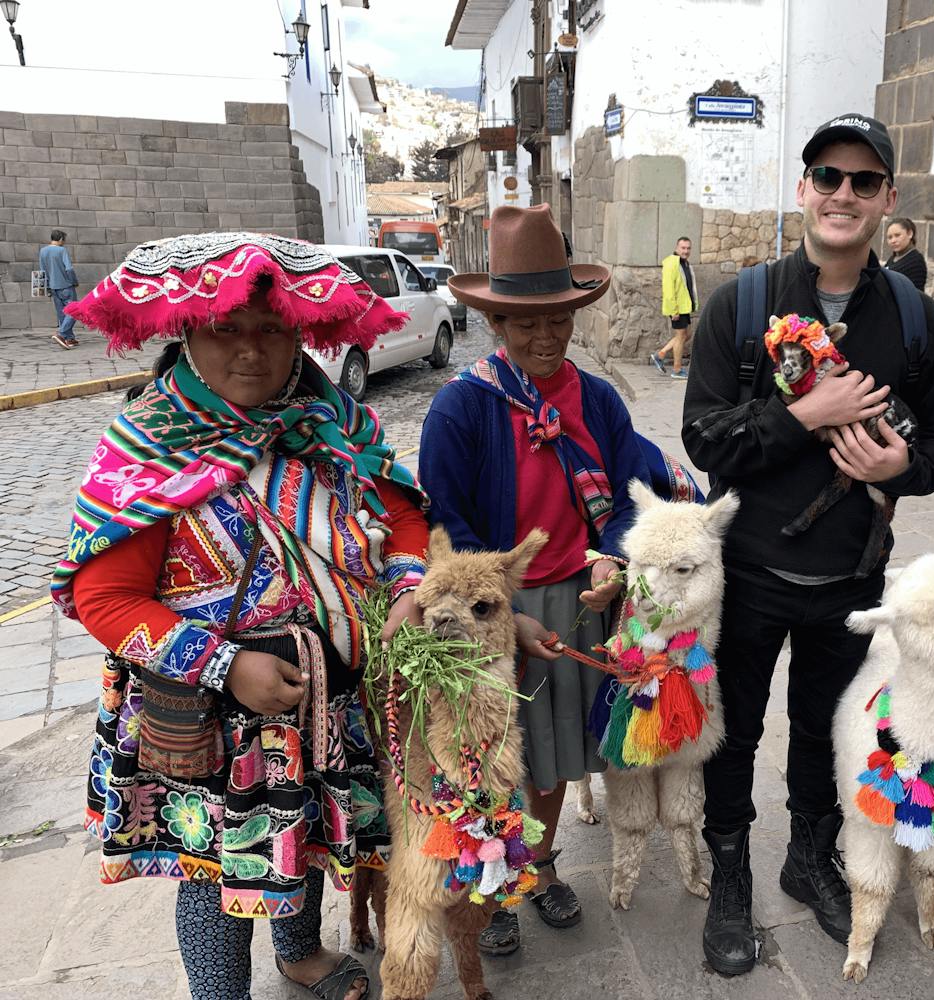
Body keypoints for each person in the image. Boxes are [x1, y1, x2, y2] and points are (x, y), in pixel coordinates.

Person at [57, 233, 432, 1000]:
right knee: (216, 875)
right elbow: (104, 598)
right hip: (209, 710)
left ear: (301, 333)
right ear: (187, 332)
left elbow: (400, 513)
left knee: (315, 838)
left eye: (273, 329)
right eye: (226, 329)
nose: (252, 352)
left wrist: (406, 587)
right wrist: (231, 667)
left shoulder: (331, 424)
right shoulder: (151, 444)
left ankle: (299, 953)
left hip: (324, 695)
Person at [680, 113, 934, 976]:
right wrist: (802, 415)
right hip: (751, 571)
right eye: (828, 177)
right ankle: (731, 865)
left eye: (864, 181)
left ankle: (808, 854)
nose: (844, 194)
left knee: (823, 725)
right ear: (804, 188)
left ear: (886, 199)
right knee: (732, 733)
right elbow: (702, 438)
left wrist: (902, 464)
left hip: (850, 573)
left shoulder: (914, 318)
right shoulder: (742, 303)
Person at [418, 204, 699, 958]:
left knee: (560, 747)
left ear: (574, 316)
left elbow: (633, 488)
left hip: (580, 603)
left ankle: (537, 866)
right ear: (495, 324)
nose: (544, 338)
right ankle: (490, 882)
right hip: (492, 614)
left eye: (557, 321)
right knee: (493, 755)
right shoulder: (461, 410)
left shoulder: (599, 399)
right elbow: (447, 530)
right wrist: (504, 617)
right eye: (523, 324)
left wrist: (611, 556)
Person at [653, 236, 697, 379]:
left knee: (686, 335)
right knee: (680, 337)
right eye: (683, 248)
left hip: (684, 307)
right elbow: (668, 289)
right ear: (677, 248)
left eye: (688, 248)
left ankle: (660, 355)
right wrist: (674, 311)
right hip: (677, 308)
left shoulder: (684, 263)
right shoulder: (672, 263)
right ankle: (677, 370)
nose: (686, 251)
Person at [39, 229, 80, 348]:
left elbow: (42, 271)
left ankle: (69, 338)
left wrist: (47, 287)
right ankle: (61, 334)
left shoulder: (43, 251)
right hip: (66, 286)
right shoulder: (62, 250)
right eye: (64, 240)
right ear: (61, 239)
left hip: (52, 287)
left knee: (62, 313)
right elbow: (69, 269)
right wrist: (74, 281)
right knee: (74, 310)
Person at [883, 217, 927, 291]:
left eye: (897, 235)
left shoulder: (915, 261)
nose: (893, 241)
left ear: (910, 234)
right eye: (889, 237)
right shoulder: (892, 259)